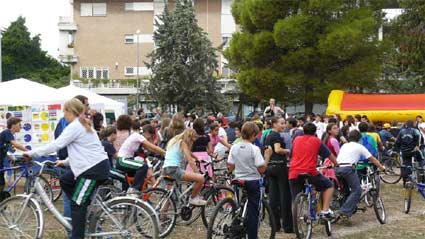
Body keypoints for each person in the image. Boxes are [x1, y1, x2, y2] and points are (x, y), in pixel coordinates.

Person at [24, 98, 110, 239]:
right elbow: (85, 151)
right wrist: (64, 162)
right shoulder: (82, 125)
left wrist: (31, 153)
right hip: (93, 166)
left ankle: (78, 232)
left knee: (76, 205)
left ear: (71, 111)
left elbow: (56, 145)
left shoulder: (75, 126)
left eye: (64, 110)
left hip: (92, 170)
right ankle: (84, 207)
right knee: (65, 180)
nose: (63, 114)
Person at [227, 122, 271, 239]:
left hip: (238, 179)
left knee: (237, 208)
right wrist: (267, 157)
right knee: (253, 212)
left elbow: (230, 166)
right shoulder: (254, 149)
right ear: (253, 135)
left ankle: (235, 232)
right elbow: (261, 169)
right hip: (252, 180)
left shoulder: (234, 147)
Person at [289, 123, 338, 220]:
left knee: (295, 199)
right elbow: (329, 155)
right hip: (310, 172)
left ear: (303, 131)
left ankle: (297, 218)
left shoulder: (296, 140)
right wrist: (336, 164)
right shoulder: (317, 141)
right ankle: (325, 210)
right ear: (315, 132)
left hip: (293, 172)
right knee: (329, 186)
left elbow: (291, 154)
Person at [335, 130, 385, 219]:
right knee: (357, 190)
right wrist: (382, 168)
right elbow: (372, 159)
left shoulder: (344, 145)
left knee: (346, 192)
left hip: (337, 169)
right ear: (359, 139)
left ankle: (347, 210)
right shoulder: (360, 146)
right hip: (348, 169)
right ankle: (344, 211)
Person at [116, 121, 165, 194]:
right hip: (122, 160)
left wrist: (161, 155)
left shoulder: (139, 138)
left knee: (140, 177)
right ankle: (134, 190)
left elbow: (150, 149)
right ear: (147, 133)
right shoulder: (137, 136)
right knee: (143, 166)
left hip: (127, 160)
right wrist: (165, 153)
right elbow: (152, 146)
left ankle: (131, 196)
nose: (149, 138)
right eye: (150, 136)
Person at [162, 128, 206, 206]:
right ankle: (193, 198)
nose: (193, 142)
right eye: (192, 140)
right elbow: (190, 161)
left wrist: (196, 158)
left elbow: (188, 152)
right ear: (189, 137)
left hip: (166, 169)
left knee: (169, 196)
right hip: (174, 169)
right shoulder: (183, 143)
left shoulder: (175, 141)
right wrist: (197, 173)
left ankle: (162, 216)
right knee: (200, 179)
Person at [263, 117, 292, 233]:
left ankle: (275, 224)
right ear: (274, 124)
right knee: (285, 196)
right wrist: (288, 151)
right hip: (280, 166)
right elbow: (278, 149)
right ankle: (288, 226)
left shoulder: (268, 135)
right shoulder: (276, 136)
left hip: (270, 167)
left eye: (284, 123)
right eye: (281, 123)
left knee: (273, 197)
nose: (284, 125)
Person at [0, 118, 28, 190]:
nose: (21, 127)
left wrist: (12, 159)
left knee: (1, 183)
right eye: (19, 125)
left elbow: (3, 151)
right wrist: (29, 151)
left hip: (1, 162)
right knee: (1, 183)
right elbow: (16, 145)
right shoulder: (7, 133)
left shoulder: (8, 135)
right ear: (13, 126)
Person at [394, 120, 422, 184]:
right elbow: (419, 138)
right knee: (421, 160)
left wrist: (396, 149)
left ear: (406, 125)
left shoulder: (402, 131)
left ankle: (405, 181)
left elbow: (397, 142)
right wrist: (417, 146)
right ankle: (421, 174)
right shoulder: (416, 131)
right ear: (413, 125)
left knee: (405, 165)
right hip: (414, 150)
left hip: (404, 151)